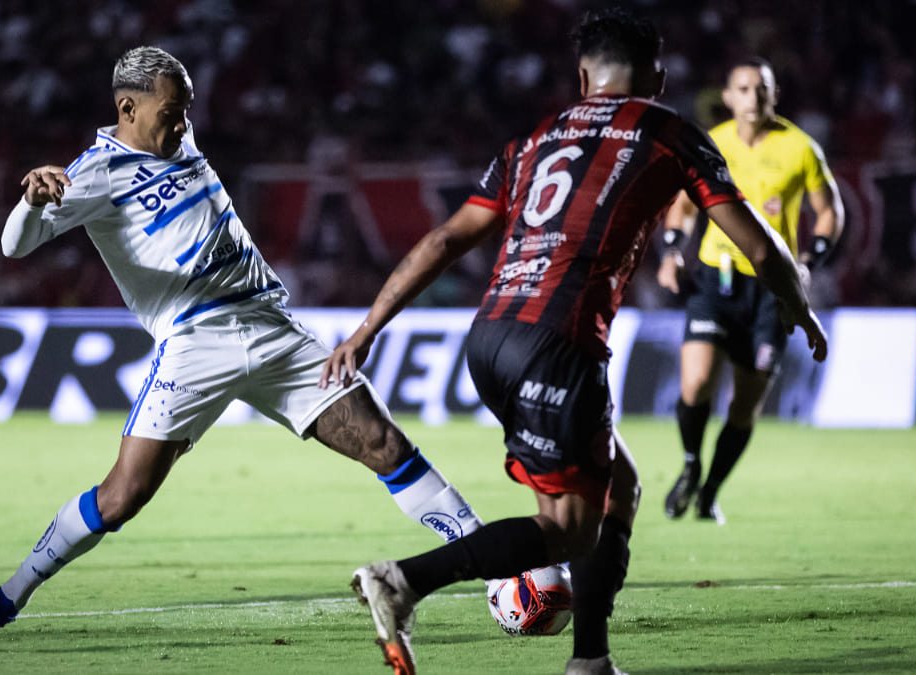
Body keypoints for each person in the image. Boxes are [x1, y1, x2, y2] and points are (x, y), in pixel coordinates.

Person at [324, 9, 828, 675]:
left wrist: (367, 328)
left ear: (583, 74)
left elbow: (446, 240)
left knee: (616, 488)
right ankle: (403, 579)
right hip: (558, 344)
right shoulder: (668, 132)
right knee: (567, 526)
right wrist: (803, 310)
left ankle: (590, 659)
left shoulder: (533, 138)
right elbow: (761, 247)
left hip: (491, 337)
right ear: (659, 76)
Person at [0, 46, 488, 639]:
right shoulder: (96, 175)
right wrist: (29, 201)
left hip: (273, 328)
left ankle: (497, 567)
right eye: (171, 112)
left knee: (385, 443)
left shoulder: (181, 141)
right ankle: (10, 594)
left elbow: (178, 144)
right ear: (127, 107)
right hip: (194, 343)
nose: (181, 123)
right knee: (120, 498)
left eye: (186, 111)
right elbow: (13, 246)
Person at [658, 57, 844, 525]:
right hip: (715, 277)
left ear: (774, 95)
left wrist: (807, 263)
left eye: (762, 88)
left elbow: (830, 212)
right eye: (743, 88)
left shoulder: (800, 148)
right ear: (728, 97)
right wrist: (672, 250)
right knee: (697, 382)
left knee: (745, 405)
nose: (753, 97)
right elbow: (680, 207)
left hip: (771, 289)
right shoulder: (712, 144)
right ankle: (689, 464)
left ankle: (710, 492)